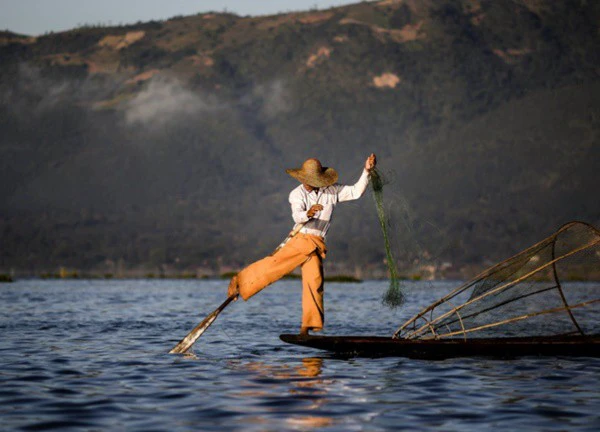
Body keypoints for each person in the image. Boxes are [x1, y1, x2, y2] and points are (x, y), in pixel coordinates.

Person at [228, 154, 377, 335]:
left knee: (314, 282)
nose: (310, 183)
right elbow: (297, 216)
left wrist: (367, 171)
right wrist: (309, 213)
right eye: (307, 180)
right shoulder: (296, 194)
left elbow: (356, 192)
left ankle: (307, 327)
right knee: (273, 266)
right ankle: (239, 283)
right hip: (300, 239)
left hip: (316, 243)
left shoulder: (331, 190)